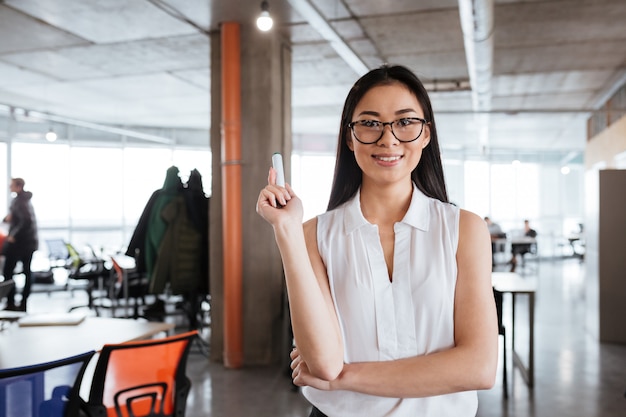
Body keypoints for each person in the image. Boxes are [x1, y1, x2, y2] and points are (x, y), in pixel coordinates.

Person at [257, 65, 497, 416]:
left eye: (405, 122)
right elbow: (323, 365)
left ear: (426, 134)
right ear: (350, 137)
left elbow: (478, 367)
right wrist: (287, 231)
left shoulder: (465, 230)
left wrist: (346, 378)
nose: (388, 139)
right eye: (369, 123)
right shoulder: (313, 235)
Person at [1, 178, 39, 311]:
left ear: (18, 186)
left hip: (21, 244)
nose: (9, 187)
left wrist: (13, 235)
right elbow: (22, 219)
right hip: (29, 243)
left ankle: (12, 303)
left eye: (11, 185)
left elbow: (26, 222)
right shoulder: (24, 200)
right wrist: (7, 218)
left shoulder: (20, 202)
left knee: (8, 272)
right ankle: (22, 303)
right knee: (26, 272)